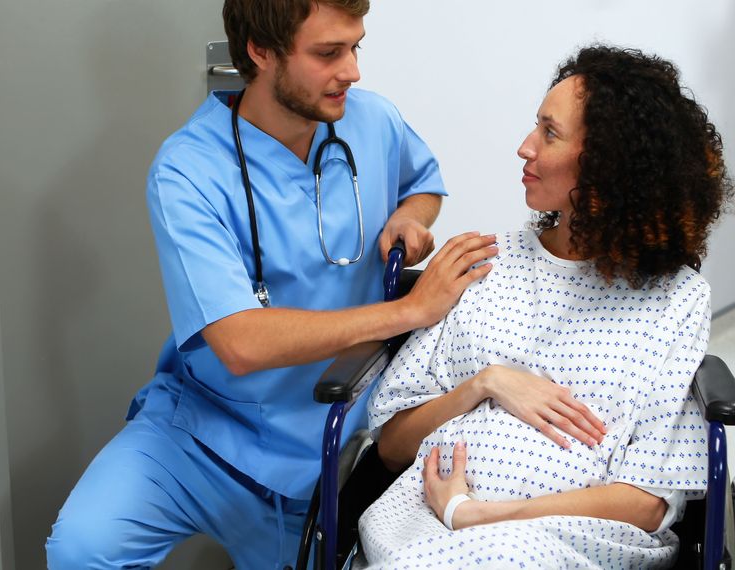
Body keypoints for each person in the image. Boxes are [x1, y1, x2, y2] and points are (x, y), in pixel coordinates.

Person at [44, 1, 498, 568]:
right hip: (200, 431)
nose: (352, 71)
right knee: (82, 548)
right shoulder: (188, 170)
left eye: (356, 46)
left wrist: (411, 216)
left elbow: (423, 184)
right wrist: (409, 310)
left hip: (323, 448)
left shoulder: (372, 120)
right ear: (261, 53)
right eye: (328, 53)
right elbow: (241, 343)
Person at [357, 45, 735, 569]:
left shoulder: (674, 301)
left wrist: (476, 516)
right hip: (422, 522)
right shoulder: (483, 264)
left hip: (568, 543)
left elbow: (646, 505)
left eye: (549, 134)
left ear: (607, 168)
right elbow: (392, 447)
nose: (524, 147)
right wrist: (484, 382)